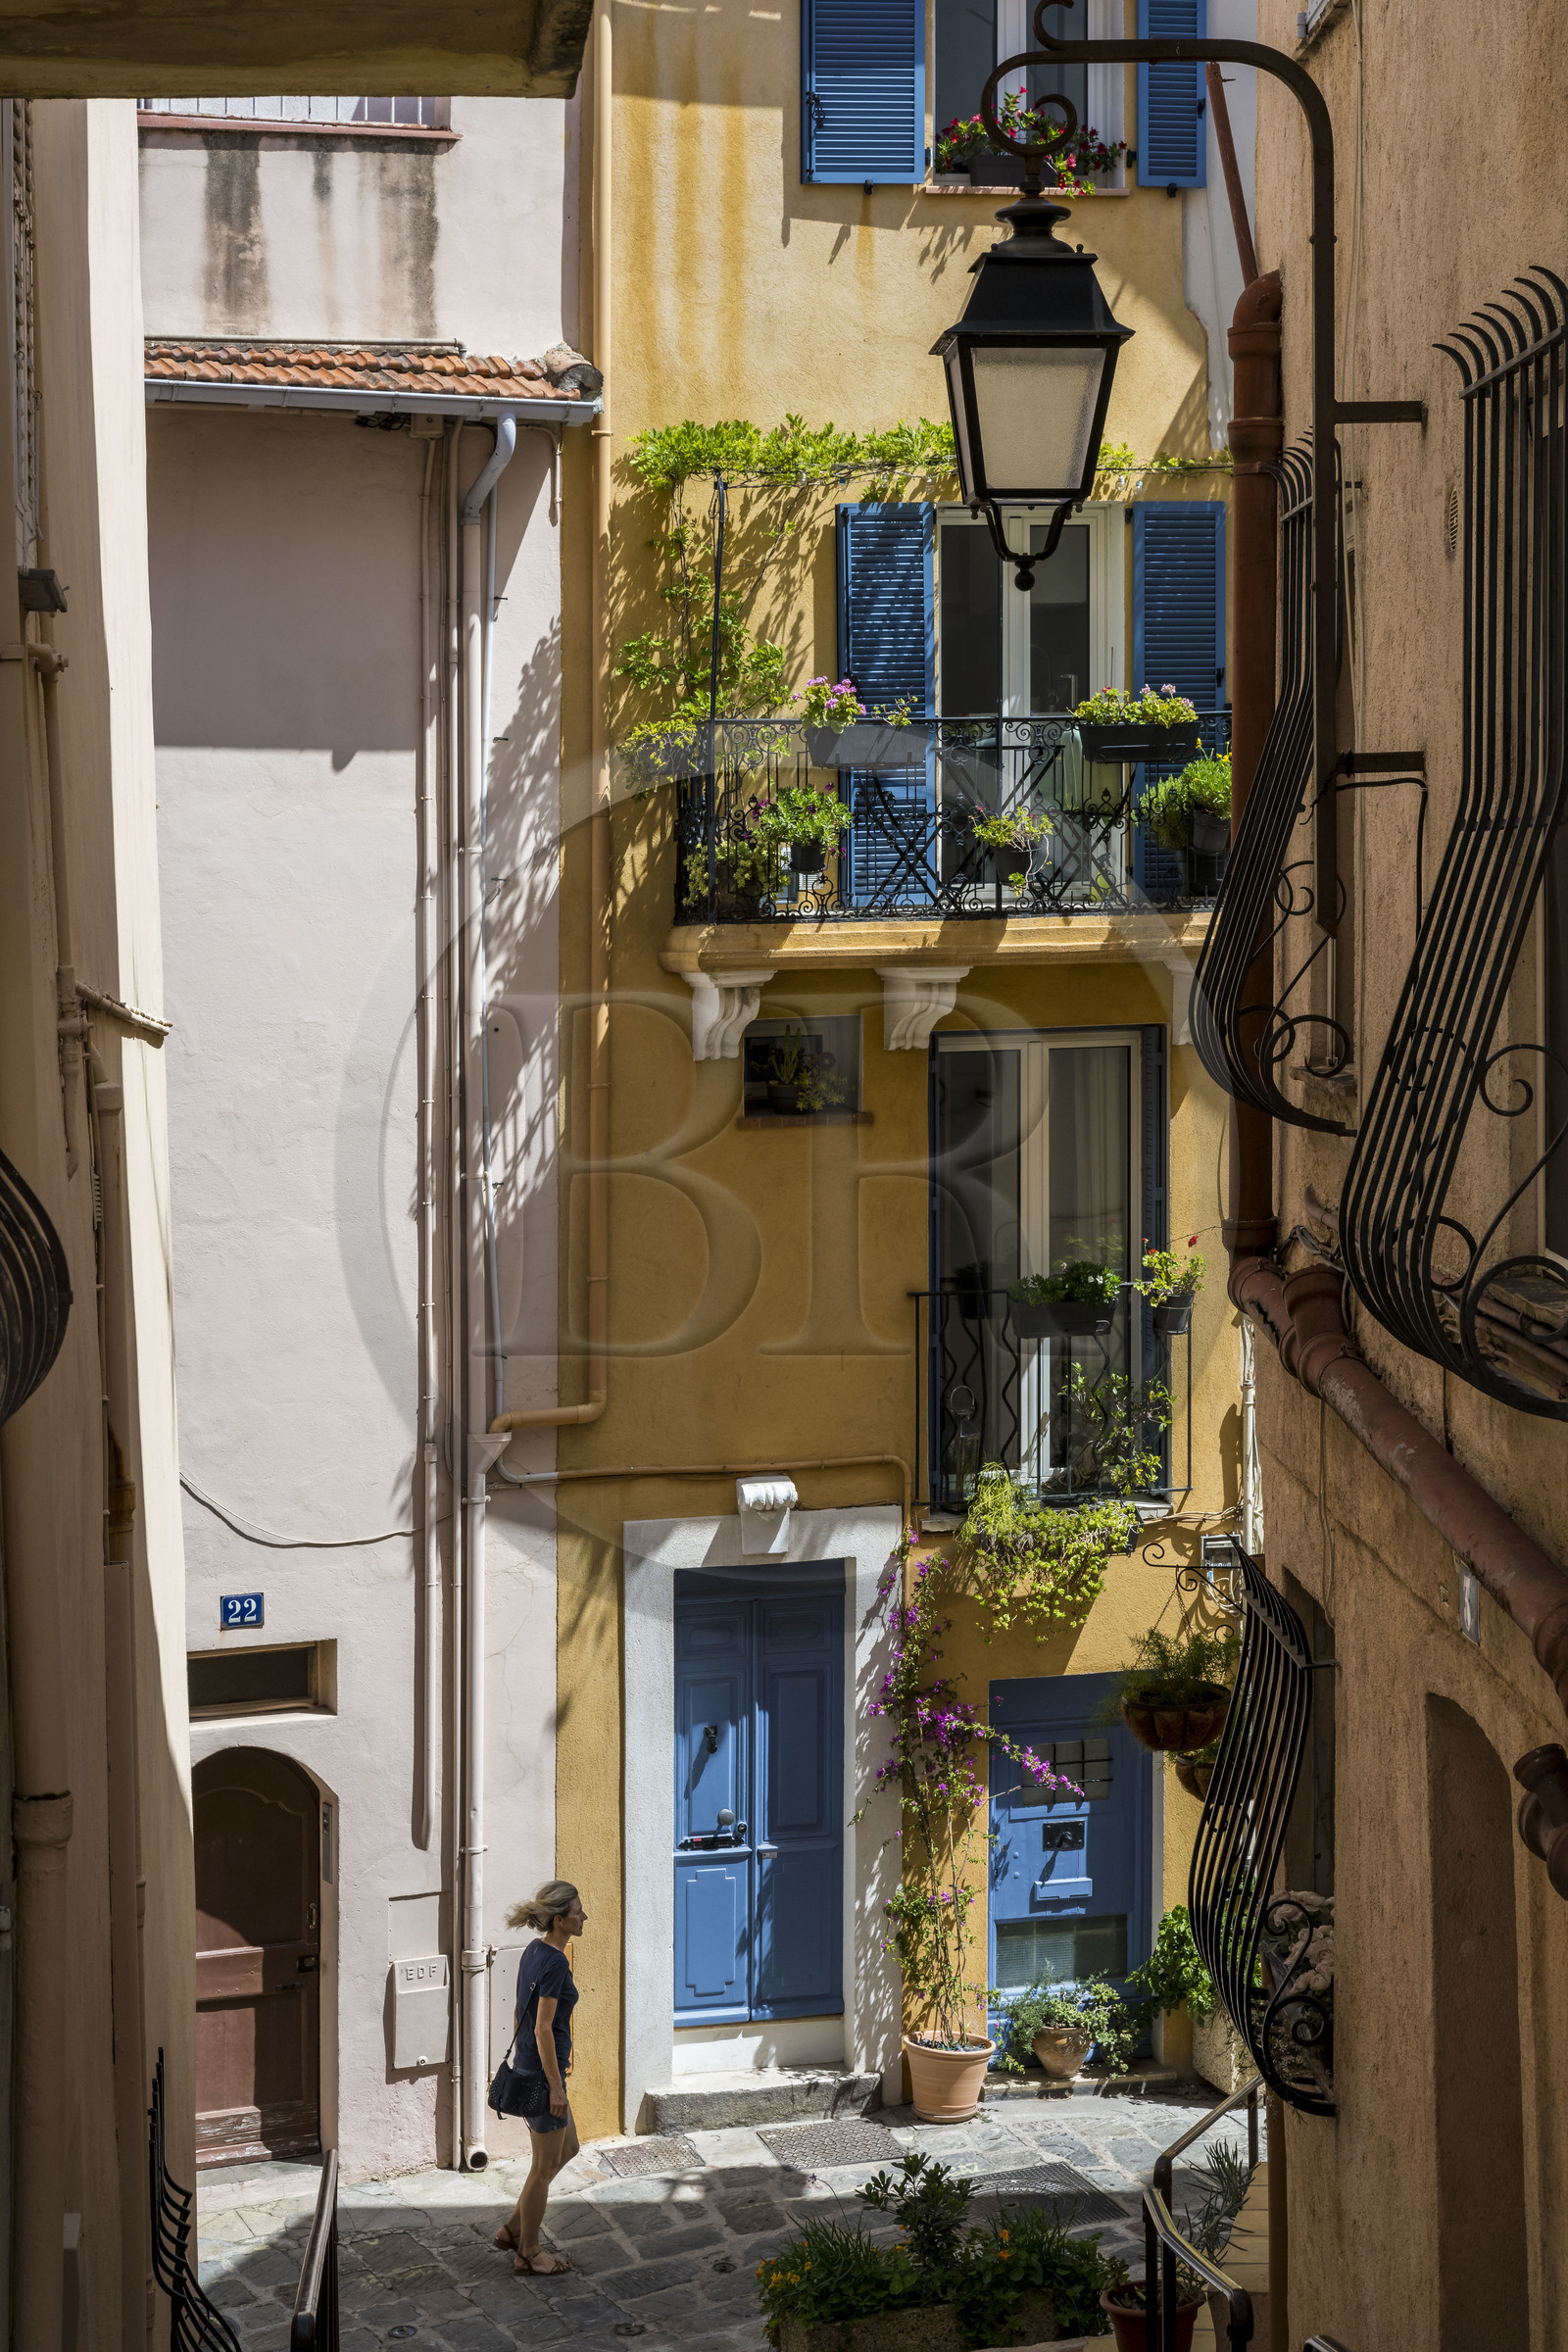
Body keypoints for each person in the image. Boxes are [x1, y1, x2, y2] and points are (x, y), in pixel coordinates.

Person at [494, 1880, 585, 2276]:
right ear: (561, 1920)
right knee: (541, 2171)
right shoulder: (554, 1962)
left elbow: (520, 2012)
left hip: (536, 2068)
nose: (585, 1917)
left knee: (569, 2149)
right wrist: (554, 2086)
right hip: (544, 2078)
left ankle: (513, 2229)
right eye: (579, 1912)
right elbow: (542, 2028)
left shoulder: (534, 1951)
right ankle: (528, 2253)